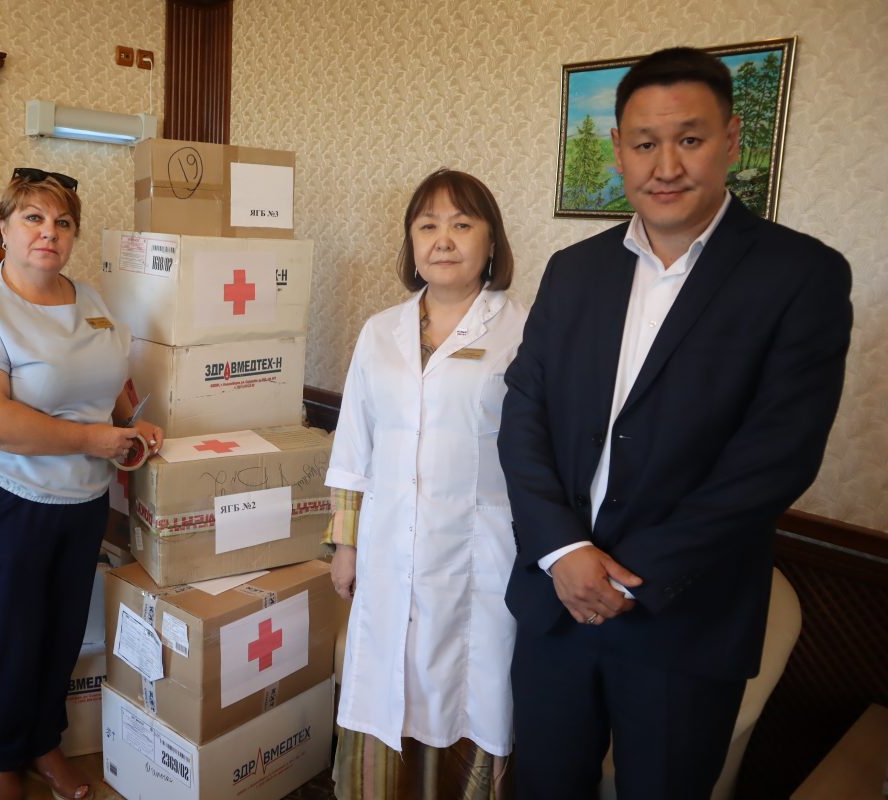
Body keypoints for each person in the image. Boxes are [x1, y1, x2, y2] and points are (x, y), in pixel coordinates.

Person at [498, 47, 852, 799]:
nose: (666, 166)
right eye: (644, 143)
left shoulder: (801, 275)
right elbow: (523, 412)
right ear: (619, 149)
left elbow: (776, 457)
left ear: (731, 140)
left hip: (685, 619)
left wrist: (634, 577)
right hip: (556, 603)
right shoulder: (573, 270)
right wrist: (563, 550)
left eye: (689, 139)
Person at [0, 167, 163, 800]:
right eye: (32, 218)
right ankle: (3, 758)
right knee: (13, 631)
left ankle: (44, 742)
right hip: (4, 490)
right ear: (3, 228)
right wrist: (93, 440)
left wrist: (131, 424)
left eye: (63, 222)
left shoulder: (89, 299)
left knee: (61, 627)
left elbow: (109, 376)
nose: (48, 232)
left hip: (81, 494)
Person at [325, 168, 525, 799]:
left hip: (479, 557)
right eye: (428, 225)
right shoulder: (379, 331)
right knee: (384, 686)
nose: (443, 239)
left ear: (491, 241)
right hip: (386, 551)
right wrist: (346, 543)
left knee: (472, 693)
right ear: (411, 243)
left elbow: (539, 452)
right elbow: (354, 445)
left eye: (462, 224)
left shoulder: (522, 331)